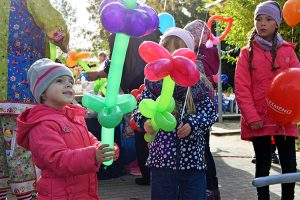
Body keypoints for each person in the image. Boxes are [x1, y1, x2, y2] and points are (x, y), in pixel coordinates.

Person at [132, 27, 217, 200]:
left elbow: (209, 113)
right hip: (161, 162)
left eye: (177, 50)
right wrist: (145, 122)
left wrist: (192, 125)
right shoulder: (154, 83)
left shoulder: (197, 84)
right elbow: (140, 107)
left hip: (192, 163)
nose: (171, 57)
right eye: (167, 50)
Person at [16, 58, 119, 199]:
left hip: (84, 193)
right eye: (59, 81)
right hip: (59, 195)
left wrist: (106, 149)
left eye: (70, 82)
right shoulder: (42, 124)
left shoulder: (75, 118)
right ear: (42, 92)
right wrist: (93, 155)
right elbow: (56, 160)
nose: (68, 85)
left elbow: (91, 142)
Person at [0, 1, 69, 199]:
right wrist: (62, 39)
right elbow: (56, 29)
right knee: (20, 152)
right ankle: (27, 196)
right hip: (20, 91)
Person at [235, 1, 300, 199]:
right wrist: (252, 117)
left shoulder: (288, 51)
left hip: (285, 120)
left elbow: (297, 82)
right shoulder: (247, 53)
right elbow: (242, 88)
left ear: (277, 24)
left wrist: (294, 113)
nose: (262, 23)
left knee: (289, 166)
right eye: (258, 19)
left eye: (268, 19)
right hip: (259, 121)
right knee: (262, 164)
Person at [85, 30, 161, 185]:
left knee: (141, 129)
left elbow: (115, 63)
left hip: (135, 85)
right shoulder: (150, 31)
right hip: (154, 78)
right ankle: (157, 171)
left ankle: (147, 174)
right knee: (154, 127)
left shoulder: (118, 34)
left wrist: (99, 74)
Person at [184, 20, 221, 200]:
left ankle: (209, 187)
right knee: (204, 148)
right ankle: (210, 187)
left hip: (199, 108)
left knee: (203, 149)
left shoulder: (199, 56)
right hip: (201, 108)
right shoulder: (207, 53)